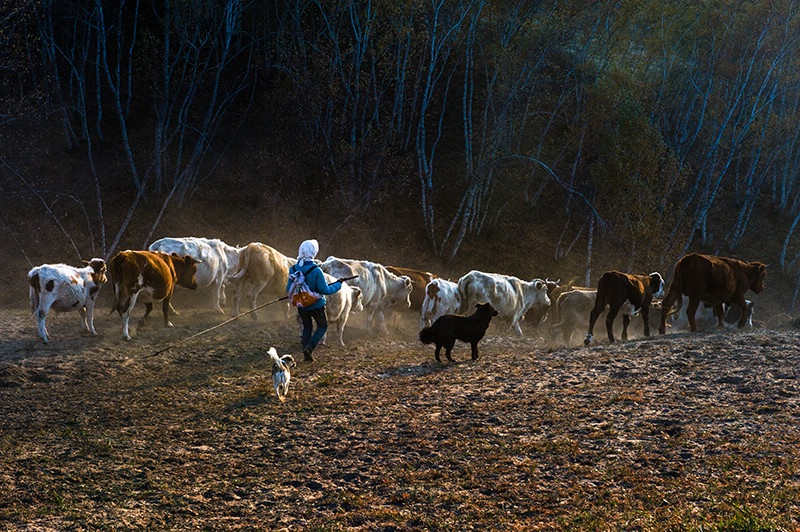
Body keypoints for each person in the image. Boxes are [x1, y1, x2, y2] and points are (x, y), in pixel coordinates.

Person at [286, 239, 342, 362]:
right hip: (317, 305)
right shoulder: (316, 271)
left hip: (302, 305)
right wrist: (338, 285)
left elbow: (288, 288)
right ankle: (309, 348)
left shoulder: (293, 269)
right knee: (322, 326)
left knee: (307, 327)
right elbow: (325, 290)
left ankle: (306, 349)